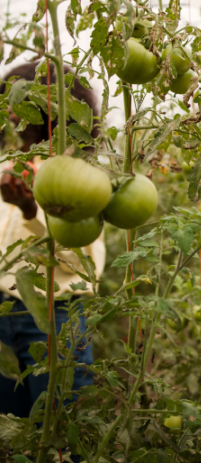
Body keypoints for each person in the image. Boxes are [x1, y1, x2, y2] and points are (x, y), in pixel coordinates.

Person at [0, 61, 105, 417]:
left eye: (18, 100)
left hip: (54, 316)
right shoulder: (8, 164)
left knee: (59, 434)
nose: (10, 111)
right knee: (13, 436)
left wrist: (31, 211)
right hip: (3, 312)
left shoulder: (79, 174)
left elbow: (79, 261)